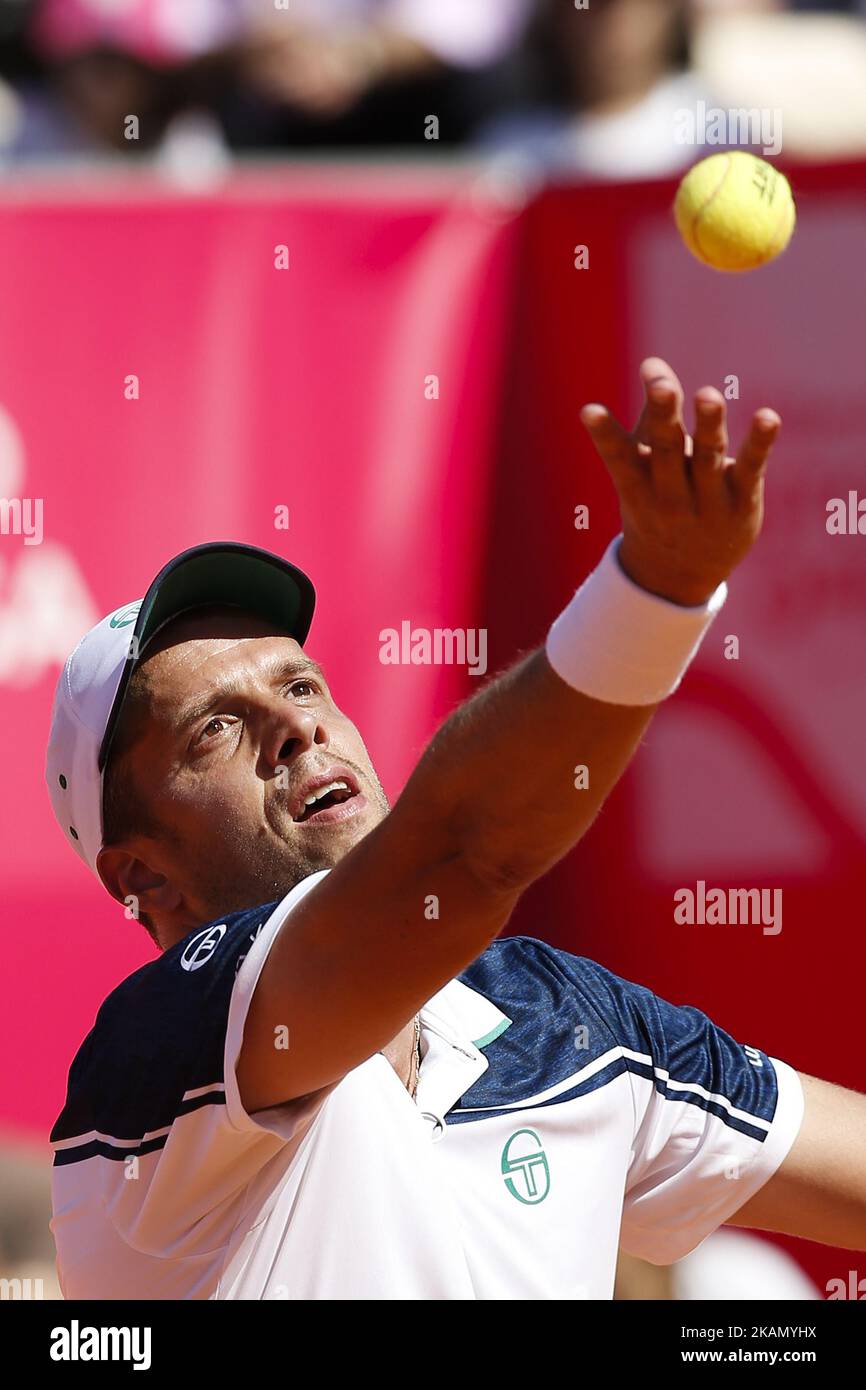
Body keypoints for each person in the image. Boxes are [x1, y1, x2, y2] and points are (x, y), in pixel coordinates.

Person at [47, 360, 866, 1299]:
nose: (296, 728)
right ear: (144, 876)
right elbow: (464, 850)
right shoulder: (158, 1051)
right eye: (217, 728)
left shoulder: (565, 1023)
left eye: (302, 684)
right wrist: (653, 595)